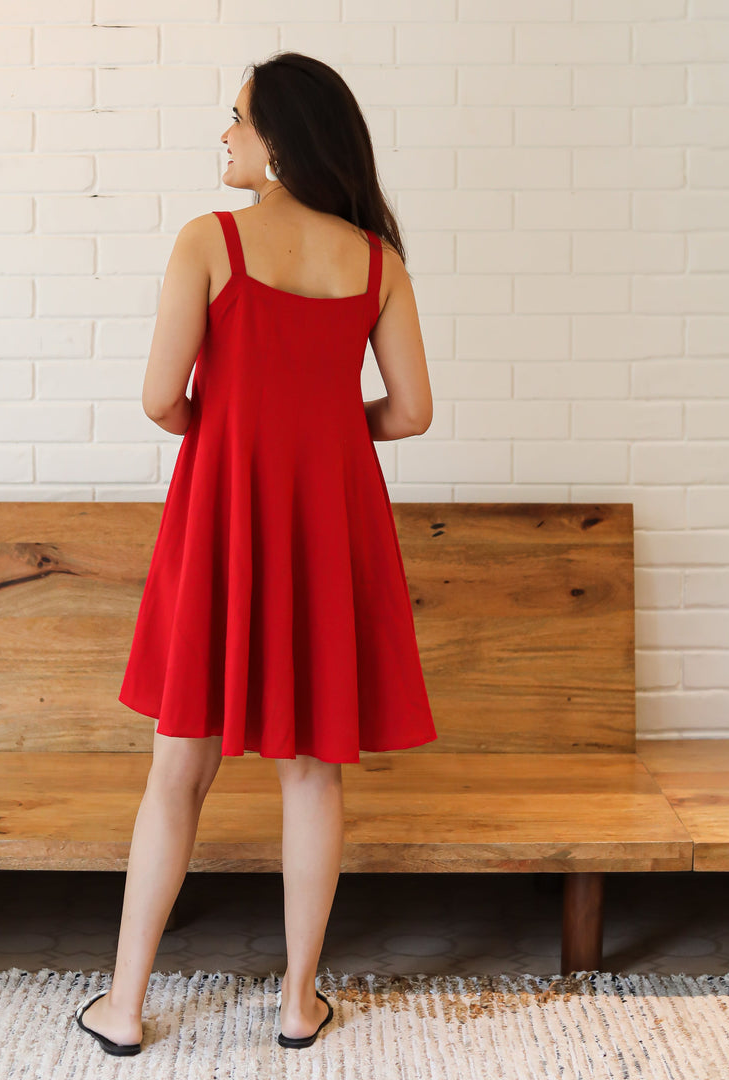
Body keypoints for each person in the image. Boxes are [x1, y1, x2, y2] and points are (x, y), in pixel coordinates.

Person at [74, 51, 436, 1056]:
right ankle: (296, 1002)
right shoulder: (377, 263)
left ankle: (125, 1005)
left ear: (280, 138)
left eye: (234, 120)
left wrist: (226, 426)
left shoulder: (210, 241)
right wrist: (322, 428)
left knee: (176, 770)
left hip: (221, 511)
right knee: (314, 773)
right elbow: (410, 413)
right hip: (328, 521)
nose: (224, 137)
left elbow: (159, 401)